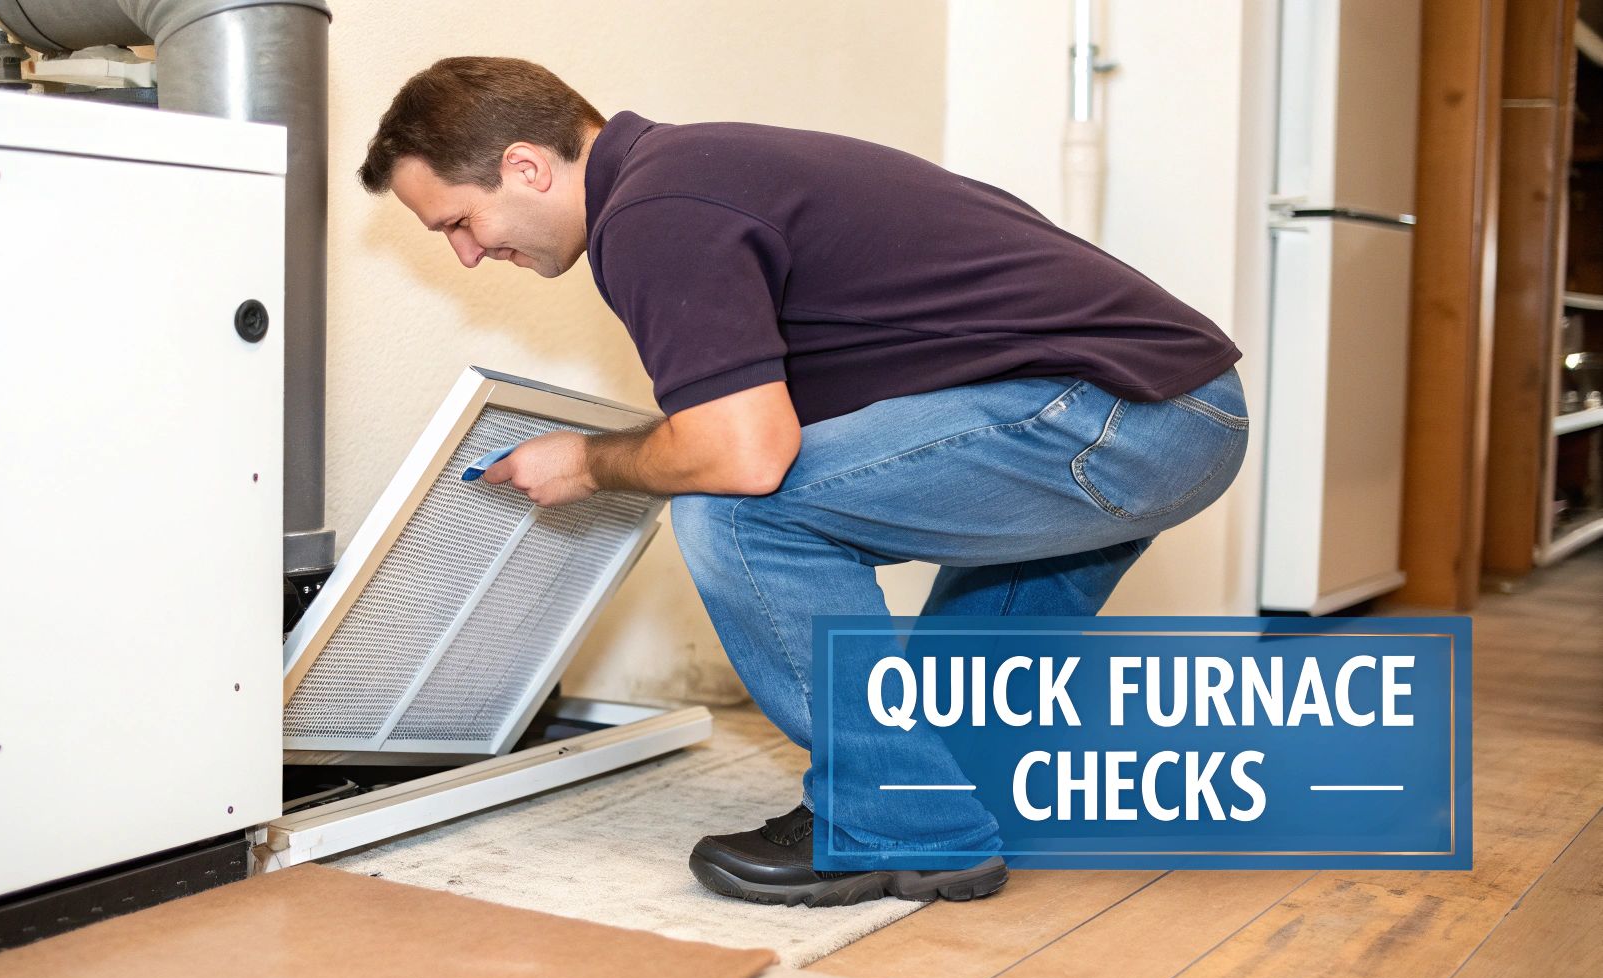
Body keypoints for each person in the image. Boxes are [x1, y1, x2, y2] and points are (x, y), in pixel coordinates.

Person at [358, 56, 1249, 907]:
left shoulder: (654, 212)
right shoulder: (695, 171)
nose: (466, 256)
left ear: (525, 167)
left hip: (1119, 419)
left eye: (458, 224)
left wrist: (590, 462)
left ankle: (899, 824)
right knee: (976, 572)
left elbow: (743, 456)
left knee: (731, 509)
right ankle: (953, 802)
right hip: (1171, 409)